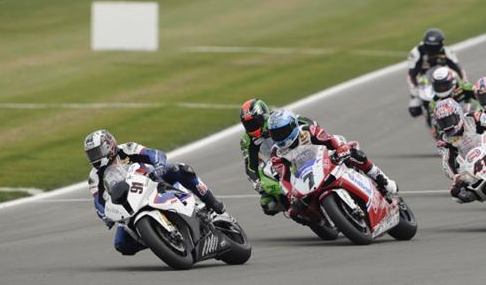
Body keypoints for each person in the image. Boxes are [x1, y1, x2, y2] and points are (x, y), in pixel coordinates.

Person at [83, 130, 225, 255]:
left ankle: (212, 202)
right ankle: (159, 239)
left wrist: (159, 165)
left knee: (181, 169)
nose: (94, 157)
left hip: (153, 181)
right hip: (129, 205)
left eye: (96, 152)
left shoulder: (128, 148)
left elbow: (154, 154)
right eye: (90, 155)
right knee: (121, 244)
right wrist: (105, 216)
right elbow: (98, 201)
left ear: (109, 146)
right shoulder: (94, 177)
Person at [268, 110, 398, 220]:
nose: (280, 137)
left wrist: (340, 148)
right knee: (297, 211)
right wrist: (291, 194)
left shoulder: (307, 130)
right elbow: (284, 178)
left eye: (283, 131)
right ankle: (324, 221)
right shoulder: (276, 154)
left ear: (293, 125)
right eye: (275, 134)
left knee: (355, 155)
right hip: (307, 177)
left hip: (328, 160)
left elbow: (329, 139)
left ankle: (384, 181)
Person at [239, 99, 315, 215]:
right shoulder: (246, 140)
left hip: (296, 149)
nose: (251, 126)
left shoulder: (278, 118)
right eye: (247, 124)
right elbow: (250, 165)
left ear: (264, 115)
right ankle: (294, 210)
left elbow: (307, 122)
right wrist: (257, 183)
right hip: (274, 162)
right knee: (267, 204)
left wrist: (309, 133)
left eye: (254, 122)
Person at [407, 28, 466, 118]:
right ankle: (427, 111)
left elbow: (457, 68)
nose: (432, 50)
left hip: (442, 75)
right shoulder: (416, 53)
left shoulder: (447, 51)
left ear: (441, 44)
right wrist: (415, 92)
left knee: (458, 84)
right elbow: (412, 75)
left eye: (434, 47)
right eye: (429, 47)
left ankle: (461, 104)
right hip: (423, 78)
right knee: (414, 110)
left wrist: (464, 81)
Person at [427, 67, 478, 136]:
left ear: (452, 81)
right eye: (439, 86)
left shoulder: (463, 87)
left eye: (444, 85)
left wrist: (481, 111)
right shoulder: (433, 103)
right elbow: (434, 125)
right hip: (453, 130)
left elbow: (480, 96)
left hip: (472, 117)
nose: (441, 88)